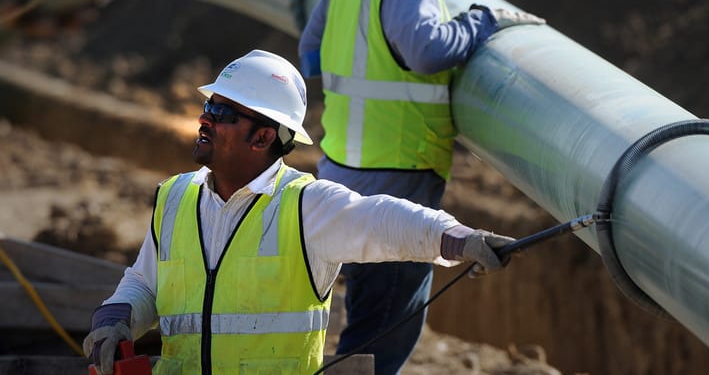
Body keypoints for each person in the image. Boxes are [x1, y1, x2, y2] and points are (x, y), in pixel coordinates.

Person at [82, 49, 515, 375]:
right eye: (209, 105)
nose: (204, 118)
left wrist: (459, 238)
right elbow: (145, 281)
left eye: (222, 112)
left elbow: (382, 219)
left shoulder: (305, 206)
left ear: (262, 137)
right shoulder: (176, 196)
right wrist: (116, 317)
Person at [297, 0, 545, 372]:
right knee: (380, 335)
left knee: (366, 321)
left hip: (343, 169)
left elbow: (310, 52)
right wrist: (483, 21)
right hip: (398, 178)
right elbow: (428, 51)